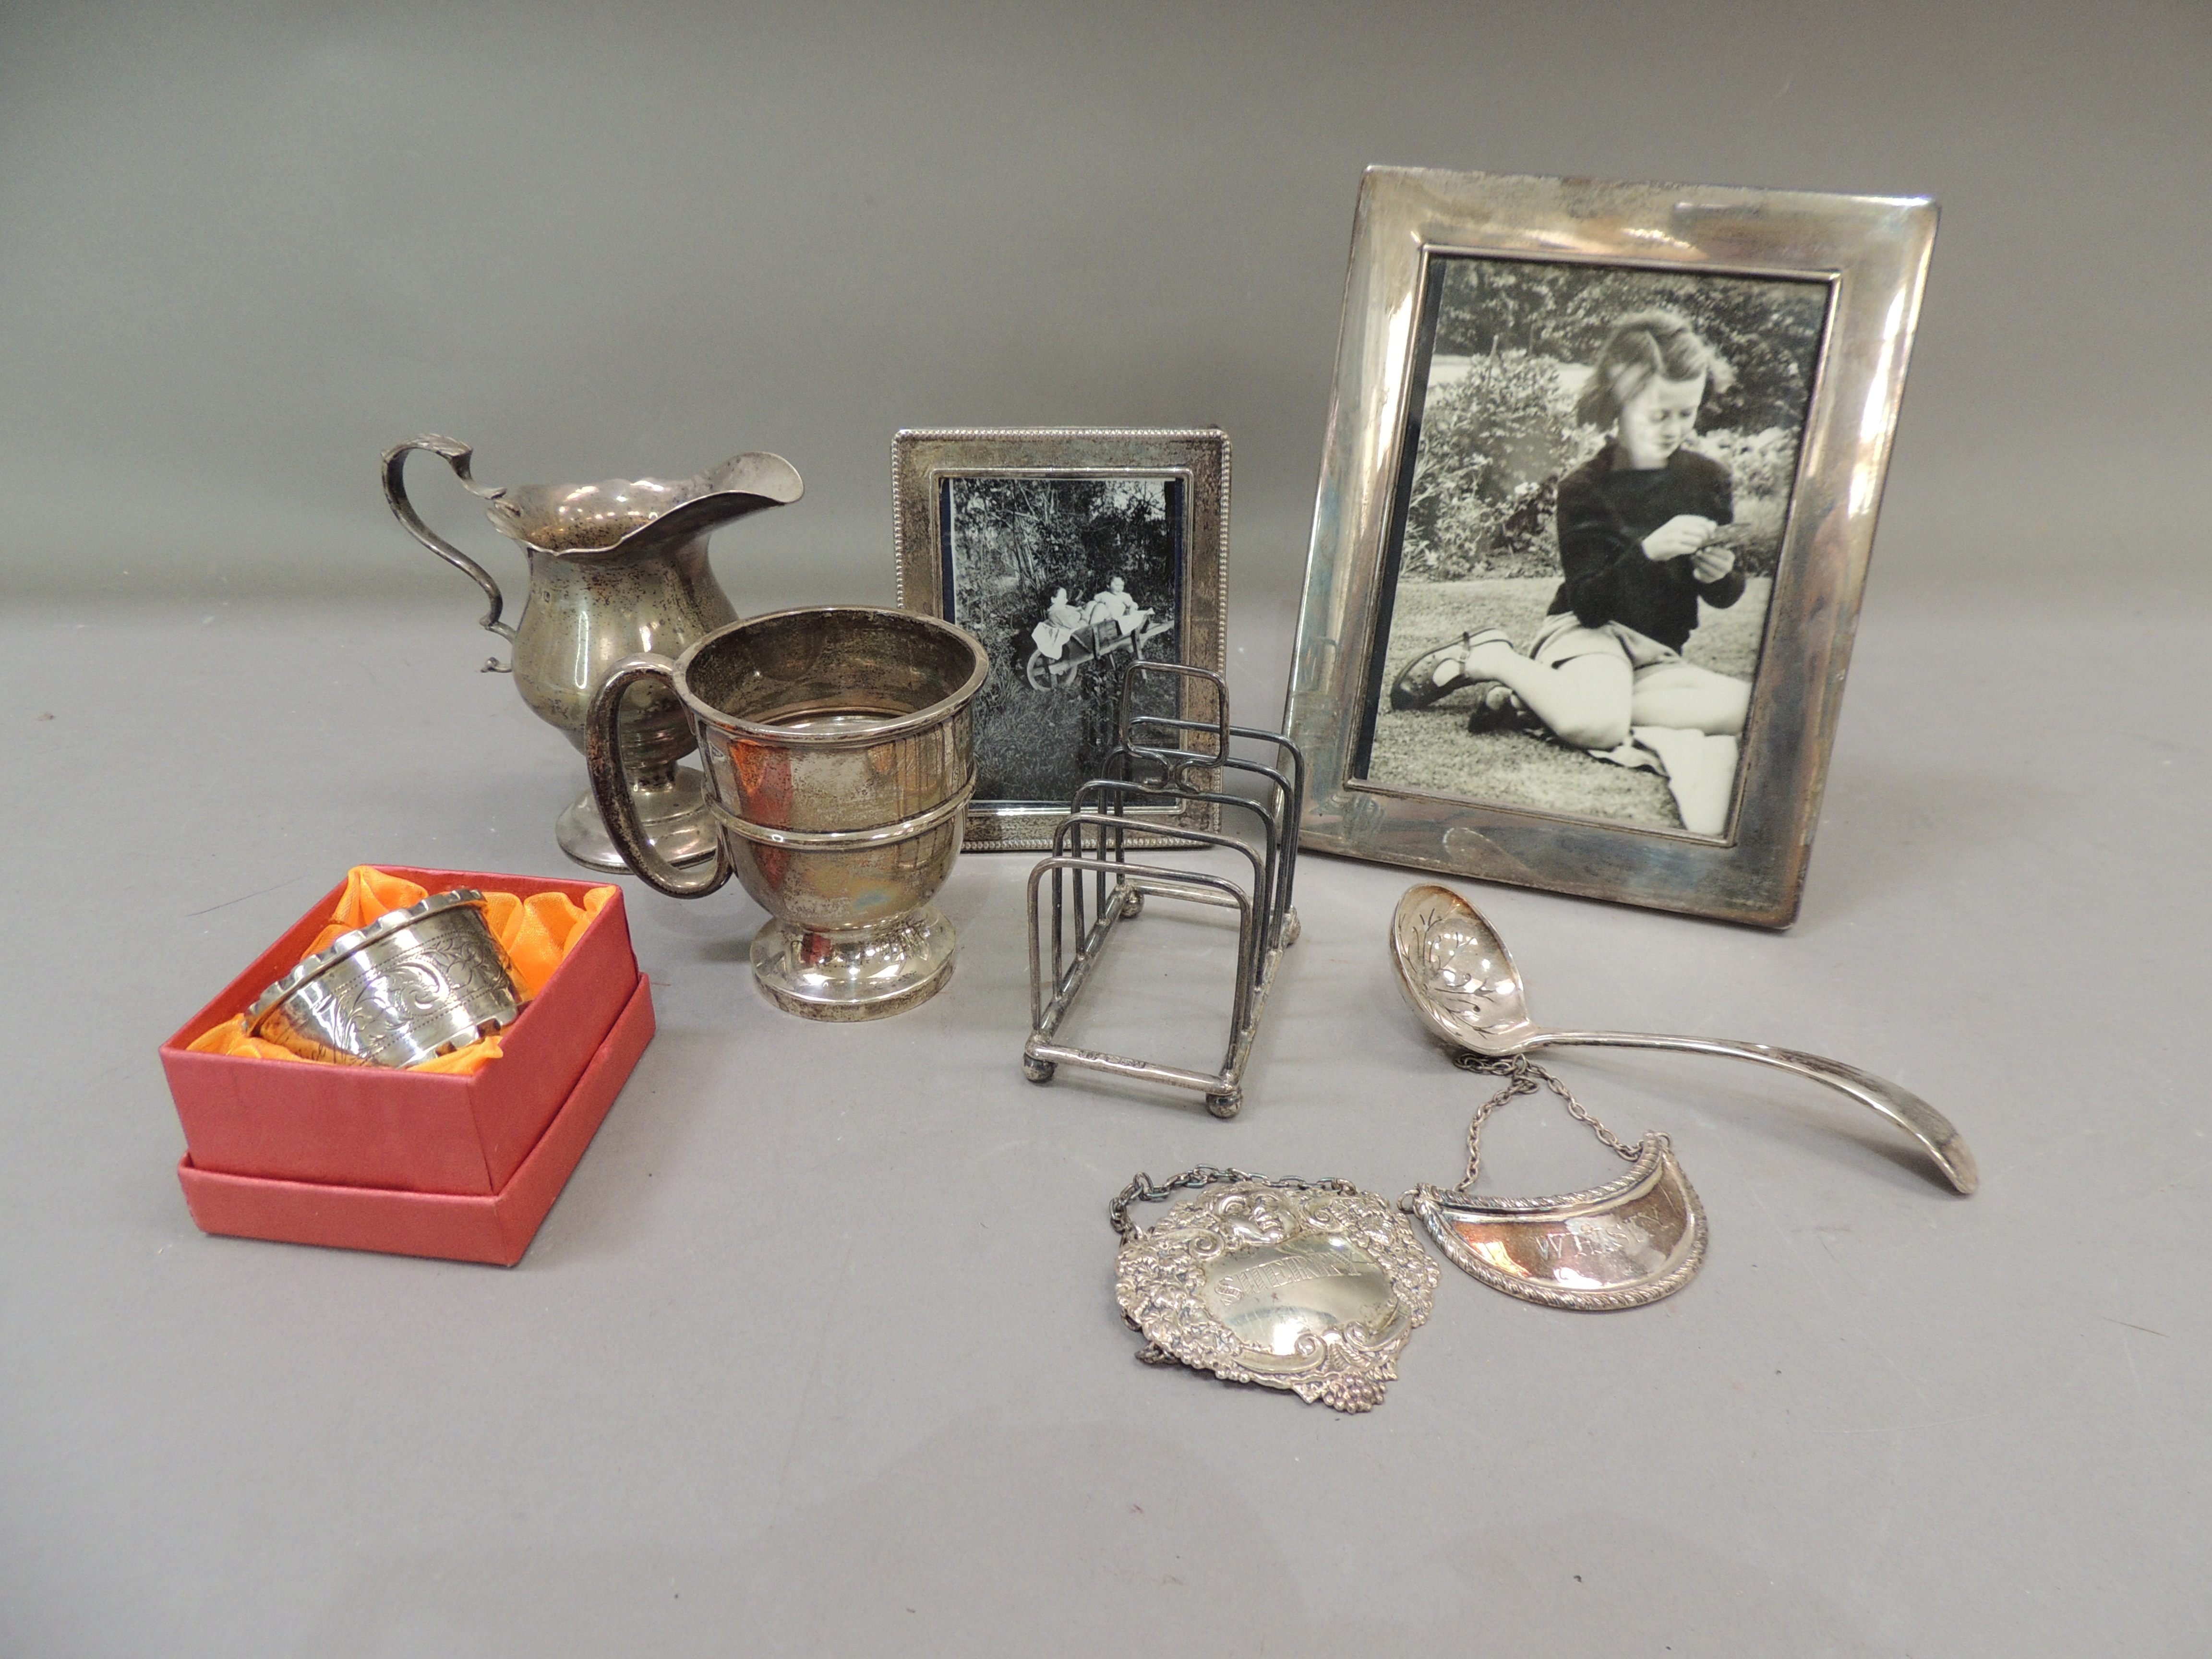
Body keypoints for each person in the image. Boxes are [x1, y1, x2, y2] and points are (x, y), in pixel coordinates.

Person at [1417, 309, 1752, 832]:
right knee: (1598, 725)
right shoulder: (1584, 487)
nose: (1674, 429)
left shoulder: (1708, 479)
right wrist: (1650, 552)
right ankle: (1496, 658)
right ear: (1617, 402)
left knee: (1755, 710)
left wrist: (1719, 578)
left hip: (1656, 655)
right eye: (1657, 414)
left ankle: (1537, 703)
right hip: (1586, 634)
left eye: (1686, 414)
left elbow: (1727, 593)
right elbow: (1590, 604)